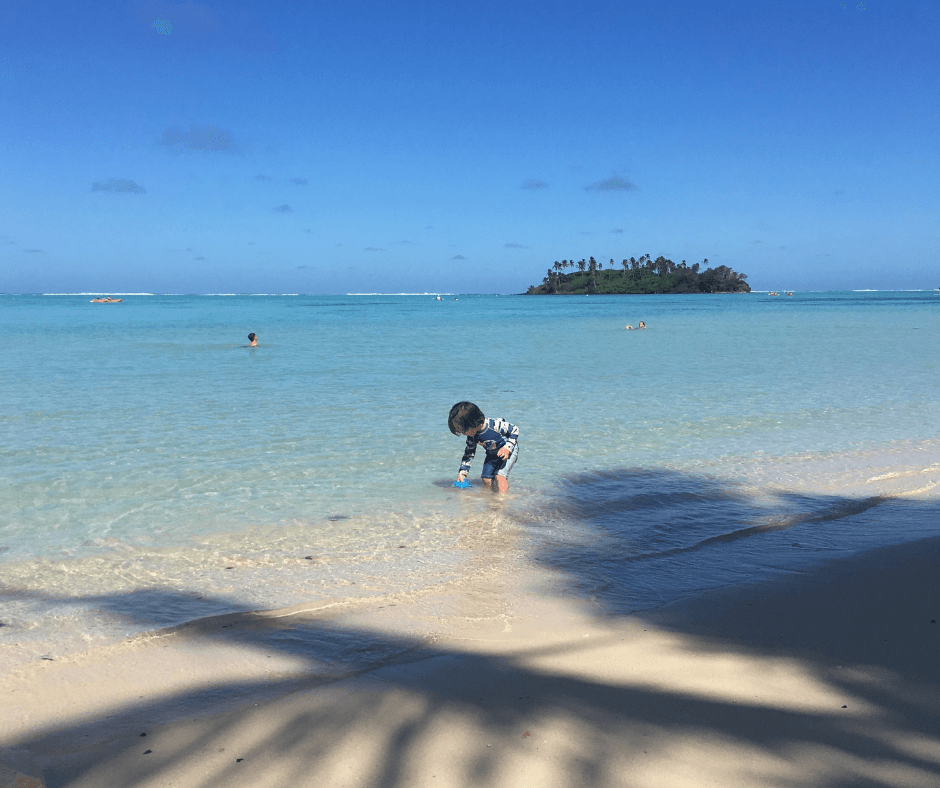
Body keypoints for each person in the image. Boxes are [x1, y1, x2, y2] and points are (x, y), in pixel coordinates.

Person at [448, 401, 519, 493]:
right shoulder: (472, 435)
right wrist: (462, 473)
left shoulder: (494, 425)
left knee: (500, 477)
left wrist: (507, 448)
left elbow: (514, 429)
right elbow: (469, 454)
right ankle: (491, 497)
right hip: (492, 454)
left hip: (509, 451)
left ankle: (502, 500)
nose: (463, 434)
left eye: (463, 430)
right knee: (486, 479)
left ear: (474, 422)